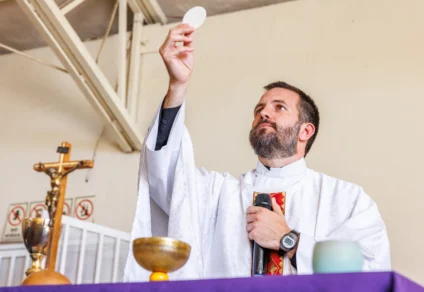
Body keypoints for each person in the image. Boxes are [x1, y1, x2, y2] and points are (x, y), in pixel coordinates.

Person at [123, 24, 391, 281]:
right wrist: (177, 86)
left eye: (279, 107)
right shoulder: (219, 195)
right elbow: (166, 178)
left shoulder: (346, 200)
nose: (263, 112)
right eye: (259, 108)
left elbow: (370, 270)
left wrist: (289, 241)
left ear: (305, 131)